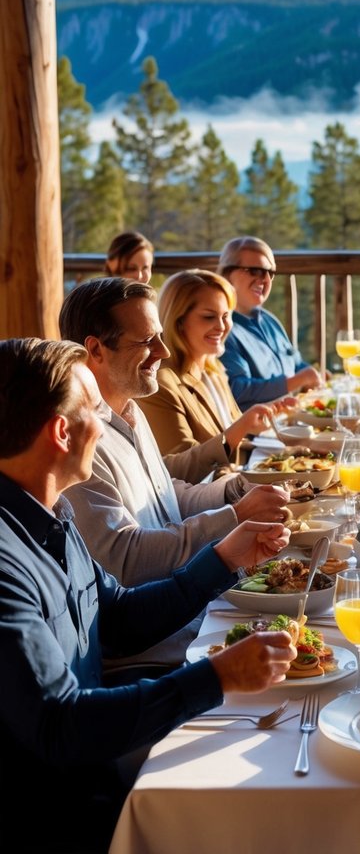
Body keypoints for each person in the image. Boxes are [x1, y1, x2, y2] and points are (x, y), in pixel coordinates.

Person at [0, 336, 296, 854]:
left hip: (96, 761)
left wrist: (225, 558)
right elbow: (60, 726)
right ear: (62, 431)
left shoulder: (51, 515)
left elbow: (117, 618)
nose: (109, 422)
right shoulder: (6, 562)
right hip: (61, 813)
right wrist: (217, 676)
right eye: (95, 409)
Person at [59, 276, 294, 677]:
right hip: (152, 655)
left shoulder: (130, 411)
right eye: (147, 341)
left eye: (161, 338)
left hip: (194, 617)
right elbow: (127, 560)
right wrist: (233, 520)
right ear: (95, 349)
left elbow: (166, 499)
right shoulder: (79, 442)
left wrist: (235, 490)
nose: (163, 352)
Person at [139, 269, 294, 483]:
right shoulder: (161, 384)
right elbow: (178, 472)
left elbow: (229, 447)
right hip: (206, 507)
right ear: (179, 321)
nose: (221, 327)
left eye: (226, 316)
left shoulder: (214, 369)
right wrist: (240, 428)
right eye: (209, 317)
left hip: (234, 487)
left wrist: (292, 450)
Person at [219, 235, 325, 409]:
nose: (266, 279)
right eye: (256, 270)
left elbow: (296, 363)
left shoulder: (270, 321)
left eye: (271, 273)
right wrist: (294, 382)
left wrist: (315, 375)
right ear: (228, 274)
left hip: (290, 419)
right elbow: (236, 390)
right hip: (256, 431)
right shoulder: (222, 328)